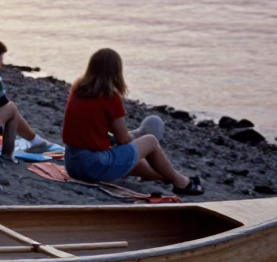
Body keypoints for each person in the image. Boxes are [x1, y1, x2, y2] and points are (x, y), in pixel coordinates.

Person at [62, 48, 204, 196]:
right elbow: (123, 139)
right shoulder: (109, 97)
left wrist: (129, 146)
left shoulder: (77, 91)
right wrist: (136, 142)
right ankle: (182, 184)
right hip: (93, 166)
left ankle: (174, 177)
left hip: (73, 164)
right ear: (116, 71)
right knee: (150, 141)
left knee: (137, 163)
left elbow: (88, 132)